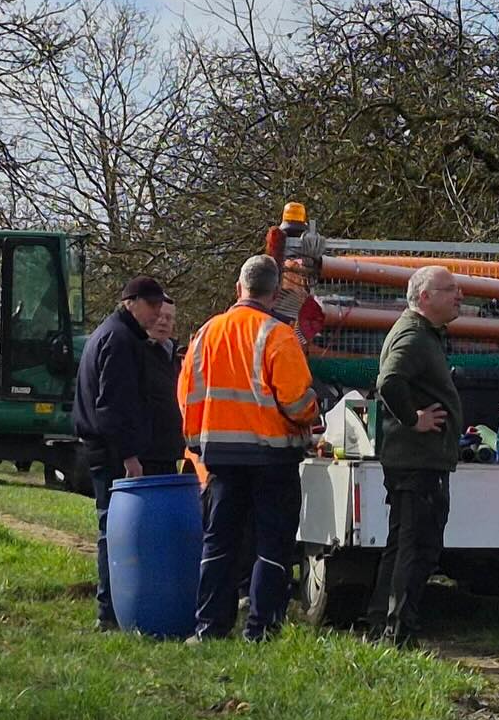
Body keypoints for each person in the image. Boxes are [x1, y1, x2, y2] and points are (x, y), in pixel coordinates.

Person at [178, 254, 319, 642]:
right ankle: (262, 628)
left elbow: (186, 395)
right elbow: (296, 402)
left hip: (220, 457)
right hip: (272, 456)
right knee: (272, 544)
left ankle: (209, 627)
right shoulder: (279, 335)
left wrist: (198, 443)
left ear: (239, 287)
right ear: (275, 294)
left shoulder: (206, 333)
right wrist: (313, 411)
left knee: (220, 542)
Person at [72, 274, 178, 631]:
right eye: (151, 305)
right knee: (117, 531)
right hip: (113, 453)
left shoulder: (112, 334)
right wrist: (130, 456)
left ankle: (119, 608)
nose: (157, 312)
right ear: (131, 302)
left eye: (160, 305)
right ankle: (111, 611)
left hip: (105, 448)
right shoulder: (119, 340)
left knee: (116, 528)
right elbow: (112, 407)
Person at [367, 265, 464, 645]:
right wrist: (413, 419)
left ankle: (383, 624)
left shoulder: (426, 334)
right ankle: (399, 632)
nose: (459, 296)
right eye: (449, 290)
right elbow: (389, 381)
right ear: (424, 297)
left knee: (404, 544)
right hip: (416, 461)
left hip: (418, 460)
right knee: (417, 546)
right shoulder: (413, 335)